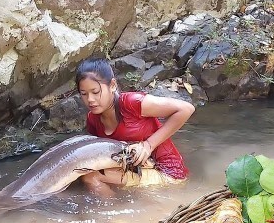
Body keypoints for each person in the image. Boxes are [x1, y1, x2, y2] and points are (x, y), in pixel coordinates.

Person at [75, 57, 195, 197]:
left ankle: (113, 214)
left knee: (91, 177)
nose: (90, 99)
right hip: (136, 171)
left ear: (112, 85)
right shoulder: (92, 119)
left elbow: (186, 109)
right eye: (84, 94)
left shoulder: (133, 103)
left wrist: (149, 144)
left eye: (95, 92)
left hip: (168, 173)